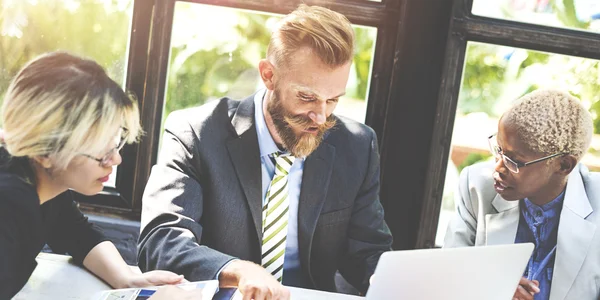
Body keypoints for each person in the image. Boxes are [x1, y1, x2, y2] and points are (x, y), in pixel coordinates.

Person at [138, 4, 393, 299]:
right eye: (307, 97)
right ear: (269, 75)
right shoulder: (196, 134)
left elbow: (367, 253)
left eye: (333, 100)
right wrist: (236, 269)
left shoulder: (357, 146)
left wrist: (393, 283)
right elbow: (161, 242)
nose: (321, 117)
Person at [0, 52, 201, 299]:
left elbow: (75, 232)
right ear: (45, 150)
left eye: (115, 143)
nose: (115, 159)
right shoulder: (9, 204)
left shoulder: (42, 184)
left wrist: (128, 279)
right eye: (101, 150)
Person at [444, 89, 600, 300]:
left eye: (514, 160)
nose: (498, 168)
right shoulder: (478, 186)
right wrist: (491, 286)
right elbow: (448, 272)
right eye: (498, 149)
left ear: (563, 165)